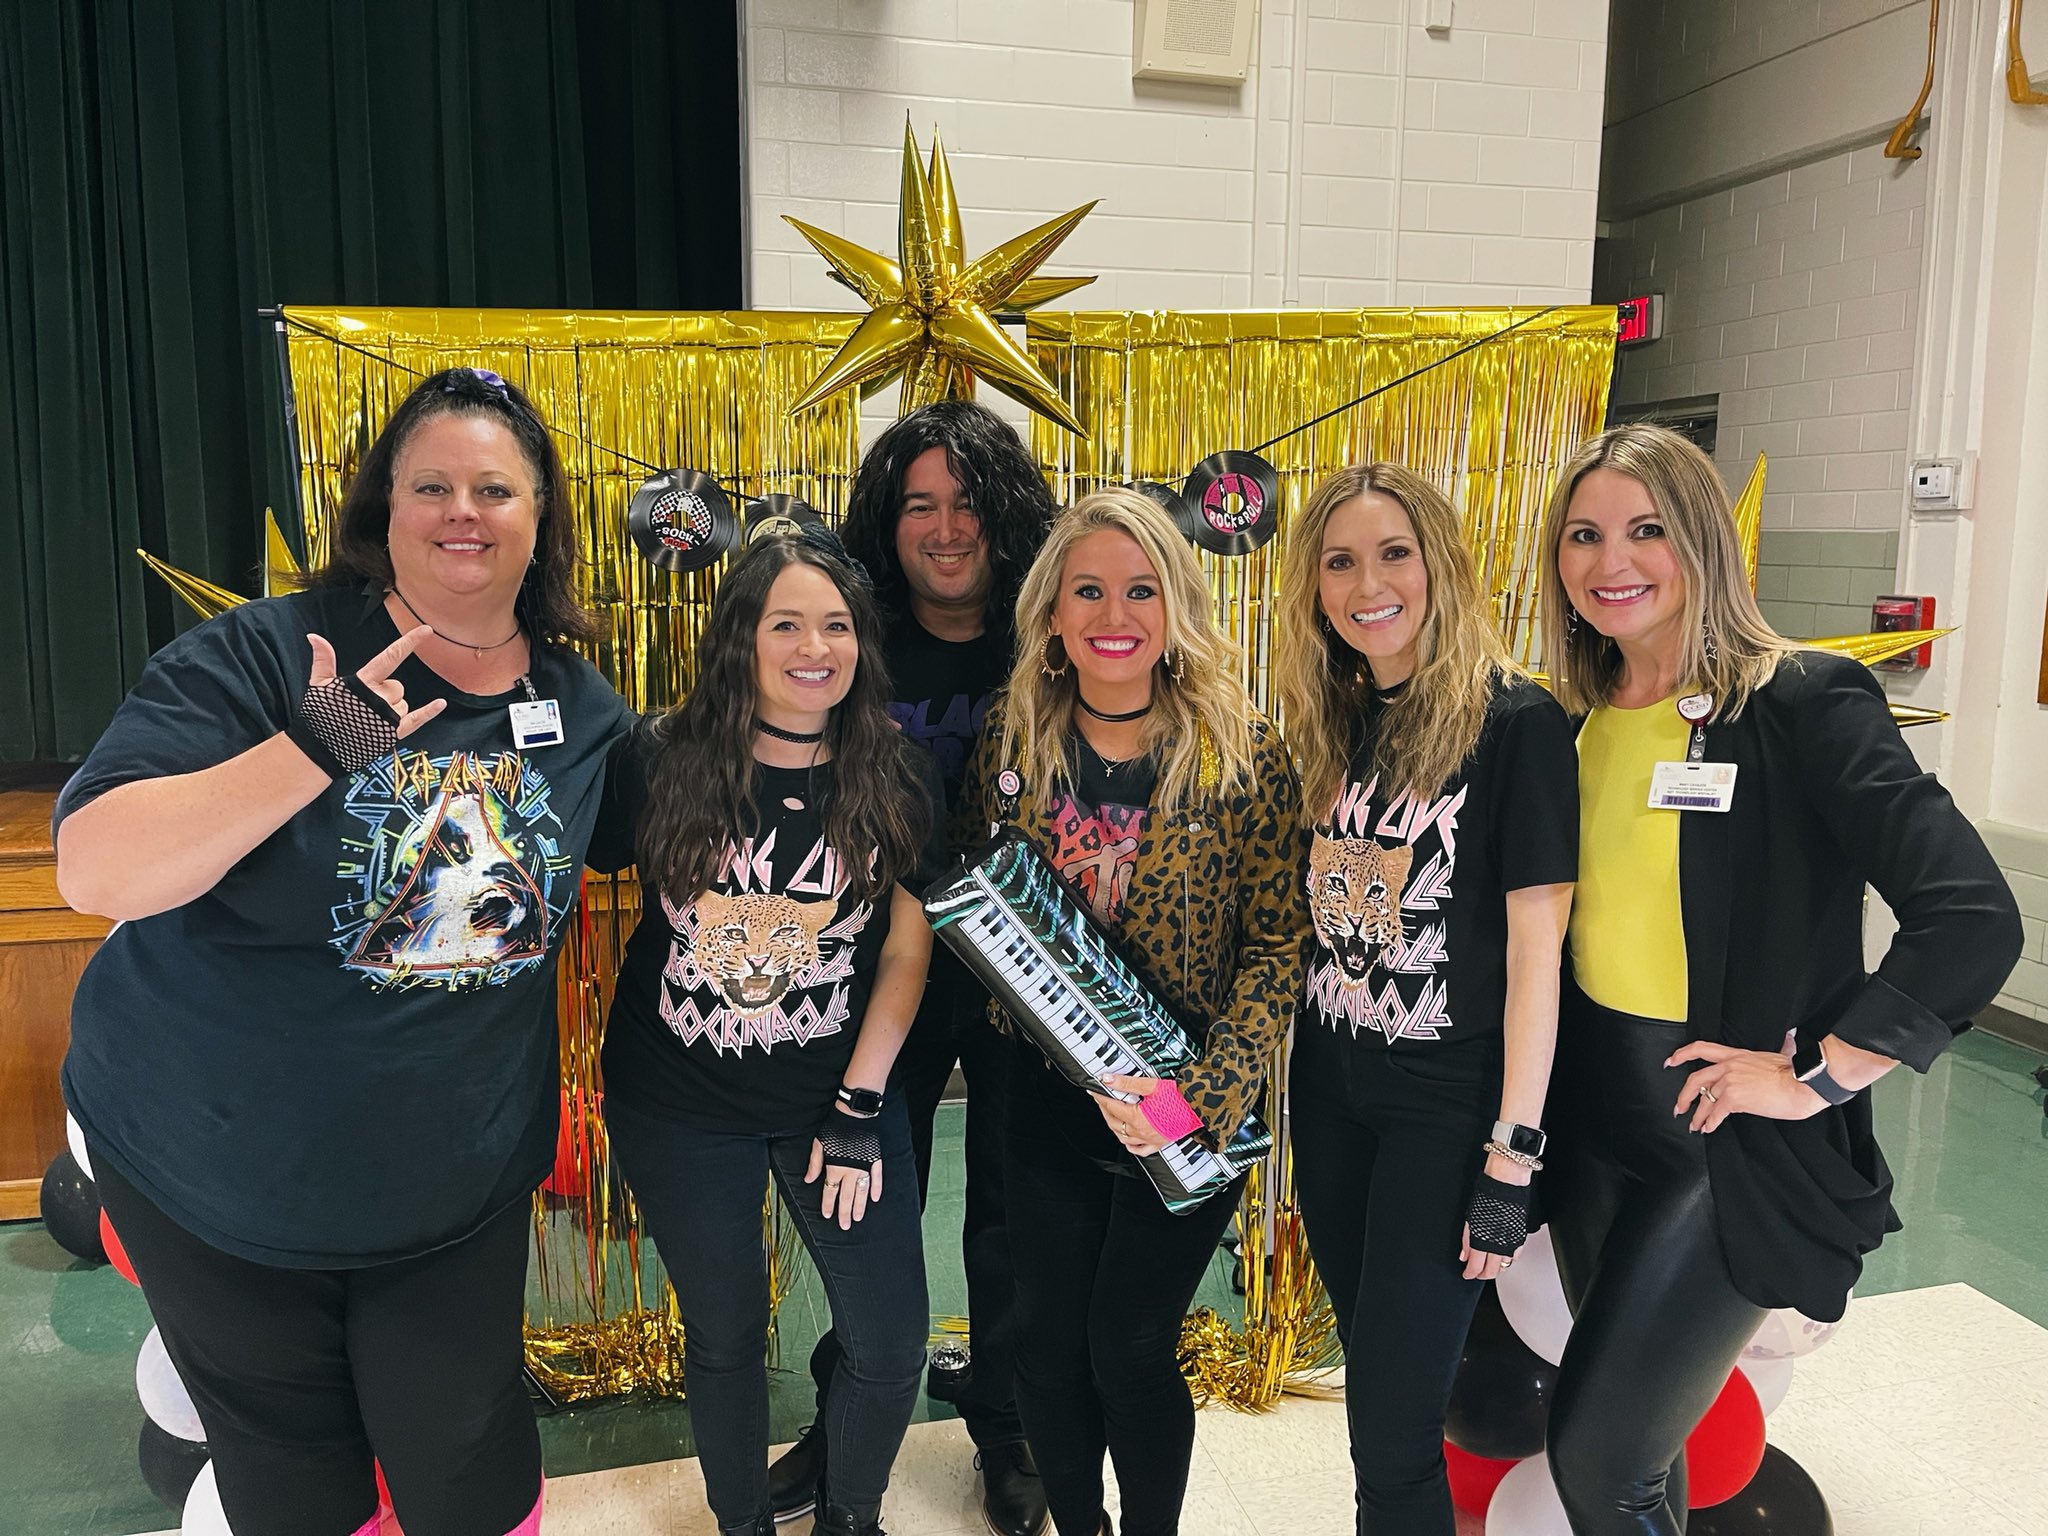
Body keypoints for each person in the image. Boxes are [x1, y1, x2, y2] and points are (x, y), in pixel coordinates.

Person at [54, 367, 633, 1536]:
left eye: (494, 488)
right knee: (292, 1471)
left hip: (449, 1186)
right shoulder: (270, 655)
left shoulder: (578, 706)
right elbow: (95, 869)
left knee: (465, 1459)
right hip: (217, 1172)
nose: (462, 511)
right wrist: (314, 750)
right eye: (430, 485)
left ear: (540, 519)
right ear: (383, 509)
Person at [1534, 424, 2024, 1535]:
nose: (1612, 560)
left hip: (1723, 1147)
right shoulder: (1573, 723)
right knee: (1637, 1450)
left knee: (1593, 1457)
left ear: (1703, 539)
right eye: (1583, 535)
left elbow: (1969, 913)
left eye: (1646, 529)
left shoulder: (1799, 701)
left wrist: (1819, 1076)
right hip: (1595, 1130)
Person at [953, 486, 1310, 1536]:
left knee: (1129, 1347)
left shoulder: (1241, 751)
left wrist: (1197, 1095)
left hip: (1188, 1100)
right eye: (1089, 591)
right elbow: (982, 901)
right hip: (1046, 1097)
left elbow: (1279, 946)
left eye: (1141, 590)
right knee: (1046, 1348)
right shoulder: (1013, 737)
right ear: (1052, 613)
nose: (1115, 614)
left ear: (1177, 604)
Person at [595, 527, 948, 1536]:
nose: (814, 647)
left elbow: (905, 949)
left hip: (836, 1094)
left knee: (890, 1344)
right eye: (785, 623)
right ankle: (741, 1525)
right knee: (727, 1336)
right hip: (675, 1101)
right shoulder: (658, 759)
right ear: (740, 636)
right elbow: (577, 860)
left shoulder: (898, 774)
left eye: (836, 625)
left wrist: (858, 1105)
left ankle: (850, 1520)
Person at [1273, 464, 1576, 1535]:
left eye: (1393, 554)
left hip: (1446, 1109)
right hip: (1332, 1094)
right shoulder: (1336, 717)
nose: (1369, 585)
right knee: (1377, 1386)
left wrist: (1512, 1154)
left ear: (1439, 564)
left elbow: (1537, 954)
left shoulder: (1516, 722)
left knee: (1393, 1433)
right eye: (1340, 561)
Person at [773, 401, 1056, 1535]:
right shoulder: (854, 636)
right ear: (884, 524)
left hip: (1029, 974)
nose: (945, 529)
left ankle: (1010, 1425)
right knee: (871, 1210)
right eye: (917, 506)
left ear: (1005, 513)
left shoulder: (1051, 630)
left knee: (1012, 1212)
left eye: (967, 503)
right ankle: (846, 1415)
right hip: (881, 969)